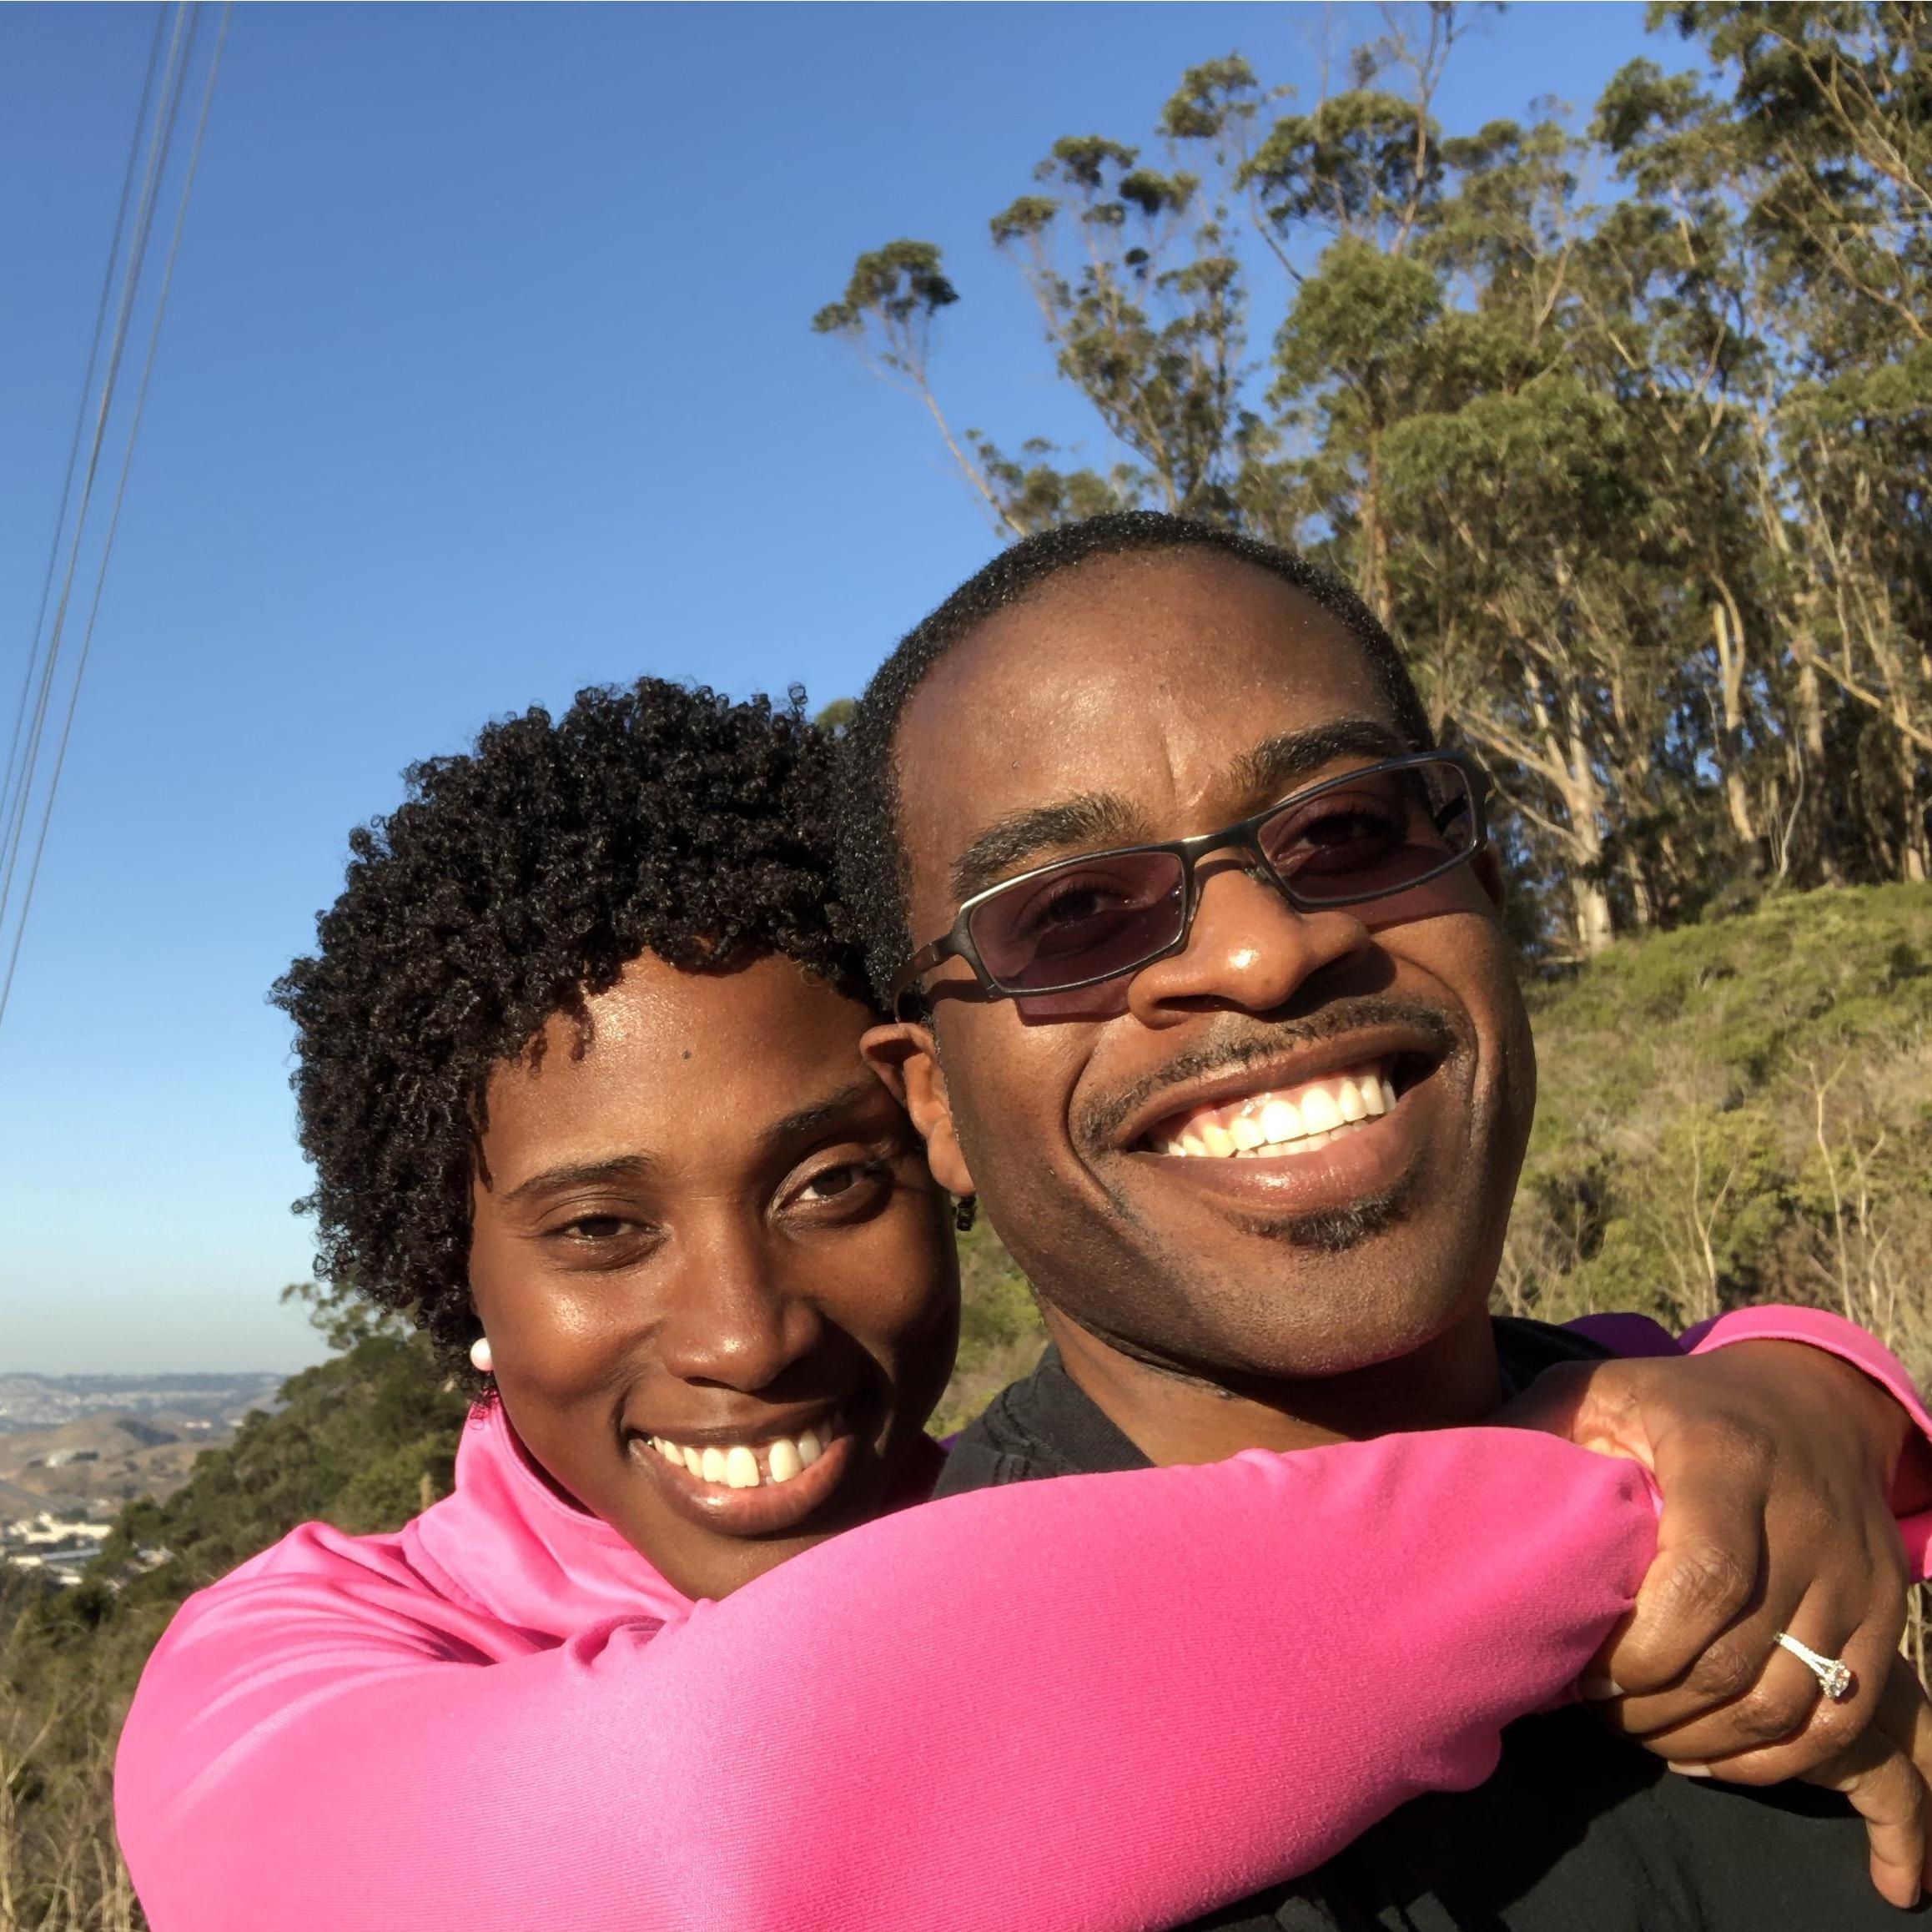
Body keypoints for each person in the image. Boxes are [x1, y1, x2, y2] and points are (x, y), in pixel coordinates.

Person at [115, 680, 1930, 1932]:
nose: (748, 1331)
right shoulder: (277, 1679)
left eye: (832, 1187)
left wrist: (1797, 1388)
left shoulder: (1049, 1508)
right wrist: (1657, 1496)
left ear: (941, 1131)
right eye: (600, 1232)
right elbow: (717, 1829)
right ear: (457, 1282)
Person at [842, 510, 1932, 1929]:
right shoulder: (904, 1760)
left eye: (1347, 829)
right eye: (1073, 914)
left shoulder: (1755, 1485)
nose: (1263, 947)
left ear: (1483, 893)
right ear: (933, 1105)